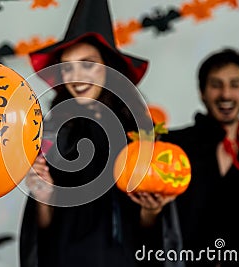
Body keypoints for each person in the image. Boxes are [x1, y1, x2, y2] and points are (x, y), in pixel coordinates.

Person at [19, 0, 182, 266]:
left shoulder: (141, 134)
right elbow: (43, 235)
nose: (76, 76)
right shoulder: (53, 134)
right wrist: (44, 197)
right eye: (67, 67)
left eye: (88, 63)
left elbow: (154, 239)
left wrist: (150, 211)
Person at [162, 48, 239, 266]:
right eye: (216, 85)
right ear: (202, 92)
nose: (225, 94)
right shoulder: (172, 147)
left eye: (234, 85)